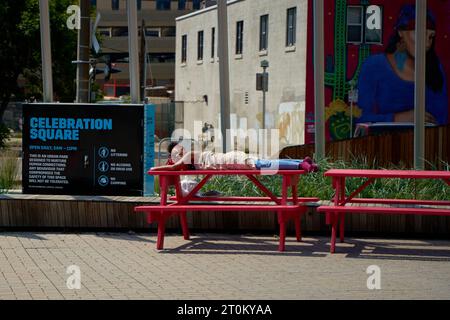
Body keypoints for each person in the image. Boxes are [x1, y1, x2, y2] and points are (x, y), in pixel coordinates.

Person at [356, 4, 448, 125]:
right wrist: (396, 119)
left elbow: (442, 120)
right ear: (401, 32)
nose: (426, 43)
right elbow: (360, 118)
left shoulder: (435, 68)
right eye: (420, 34)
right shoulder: (374, 66)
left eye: (430, 37)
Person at [151, 142, 319, 172]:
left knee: (265, 165)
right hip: (230, 162)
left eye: (178, 150)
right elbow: (175, 167)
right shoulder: (189, 161)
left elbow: (174, 167)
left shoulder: (189, 155)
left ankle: (300, 165)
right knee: (264, 164)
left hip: (230, 161)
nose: (179, 152)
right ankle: (300, 162)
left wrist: (154, 168)